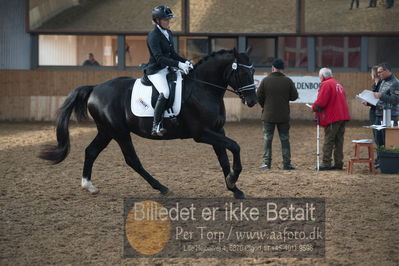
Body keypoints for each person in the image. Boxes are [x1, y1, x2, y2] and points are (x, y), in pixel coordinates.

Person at [144, 5, 192, 136]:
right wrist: (178, 64)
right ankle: (156, 125)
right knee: (164, 92)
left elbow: (172, 54)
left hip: (167, 68)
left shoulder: (168, 33)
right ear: (157, 20)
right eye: (166, 19)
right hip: (155, 70)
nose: (168, 22)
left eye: (168, 19)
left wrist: (185, 62)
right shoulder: (153, 36)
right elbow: (159, 58)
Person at [257, 58, 298, 170]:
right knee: (284, 139)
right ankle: (287, 163)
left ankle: (267, 163)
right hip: (283, 115)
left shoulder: (265, 81)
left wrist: (264, 106)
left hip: (268, 115)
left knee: (267, 139)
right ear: (282, 69)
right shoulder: (288, 81)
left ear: (273, 68)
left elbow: (259, 97)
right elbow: (294, 96)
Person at [312, 68, 350, 171]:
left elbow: (321, 102)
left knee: (329, 140)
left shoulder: (326, 84)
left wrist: (314, 107)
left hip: (334, 117)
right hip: (342, 116)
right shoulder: (337, 84)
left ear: (322, 76)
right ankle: (338, 163)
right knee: (339, 140)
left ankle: (326, 163)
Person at [373, 63, 399, 150]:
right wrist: (369, 102)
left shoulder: (395, 83)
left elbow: (395, 100)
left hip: (390, 116)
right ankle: (380, 160)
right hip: (379, 114)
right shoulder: (383, 81)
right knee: (378, 139)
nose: (378, 74)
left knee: (388, 141)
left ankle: (386, 160)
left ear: (387, 71)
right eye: (378, 72)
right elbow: (380, 98)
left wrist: (381, 96)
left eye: (380, 72)